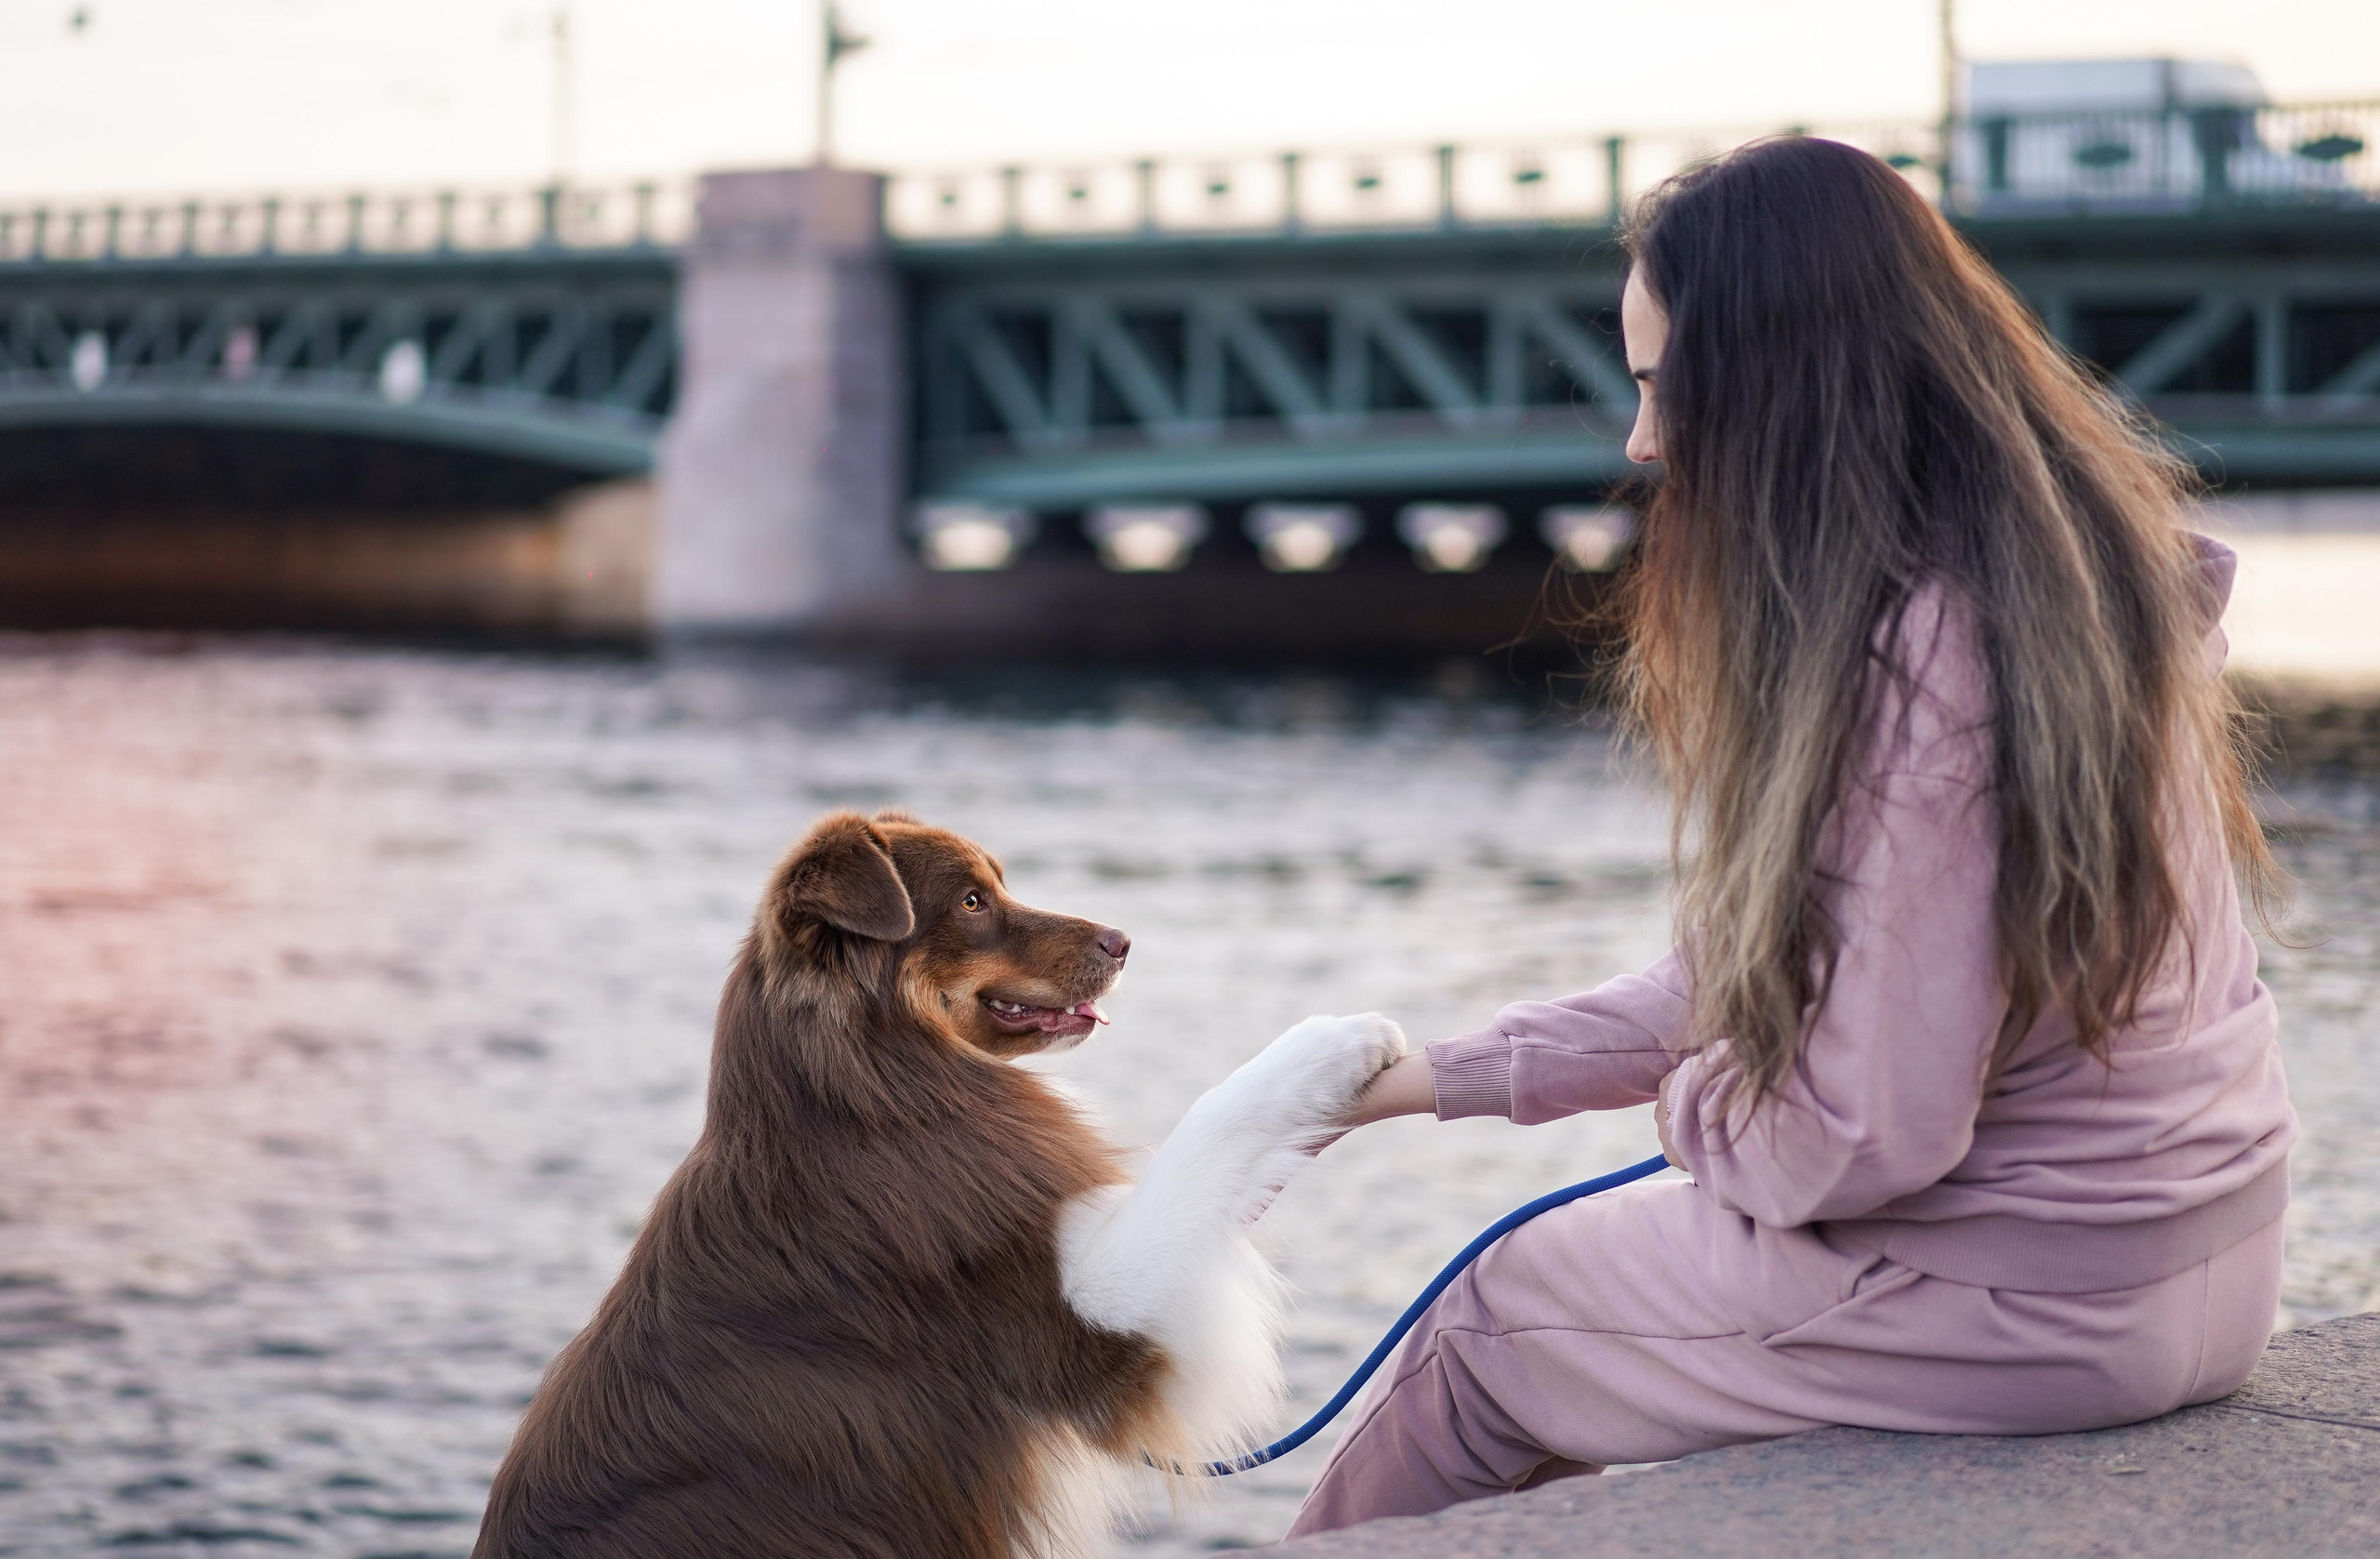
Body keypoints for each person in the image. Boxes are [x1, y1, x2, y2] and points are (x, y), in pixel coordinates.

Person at [1286, 136, 2294, 1538]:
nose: (1641, 444)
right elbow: (1755, 974)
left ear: (1776, 378)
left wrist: (1698, 1105)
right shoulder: (2074, 583)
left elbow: (1857, 1137)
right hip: (2209, 1274)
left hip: (2017, 1308)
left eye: (1659, 389)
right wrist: (1435, 1081)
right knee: (1561, 1302)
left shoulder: (1916, 666)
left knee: (1484, 1327)